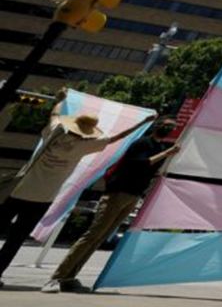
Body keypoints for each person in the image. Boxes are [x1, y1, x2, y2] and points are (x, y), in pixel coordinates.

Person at [0, 95, 154, 288]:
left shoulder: (54, 132)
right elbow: (117, 138)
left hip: (18, 192)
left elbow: (54, 114)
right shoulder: (85, 146)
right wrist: (142, 122)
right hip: (43, 198)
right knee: (15, 239)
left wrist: (61, 100)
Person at [42, 116, 180, 293]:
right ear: (157, 126)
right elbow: (139, 163)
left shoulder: (159, 147)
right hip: (118, 193)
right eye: (167, 126)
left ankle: (69, 277)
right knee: (93, 235)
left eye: (172, 127)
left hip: (133, 195)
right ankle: (56, 277)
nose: (170, 129)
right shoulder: (143, 143)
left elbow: (152, 170)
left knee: (100, 237)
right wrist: (167, 153)